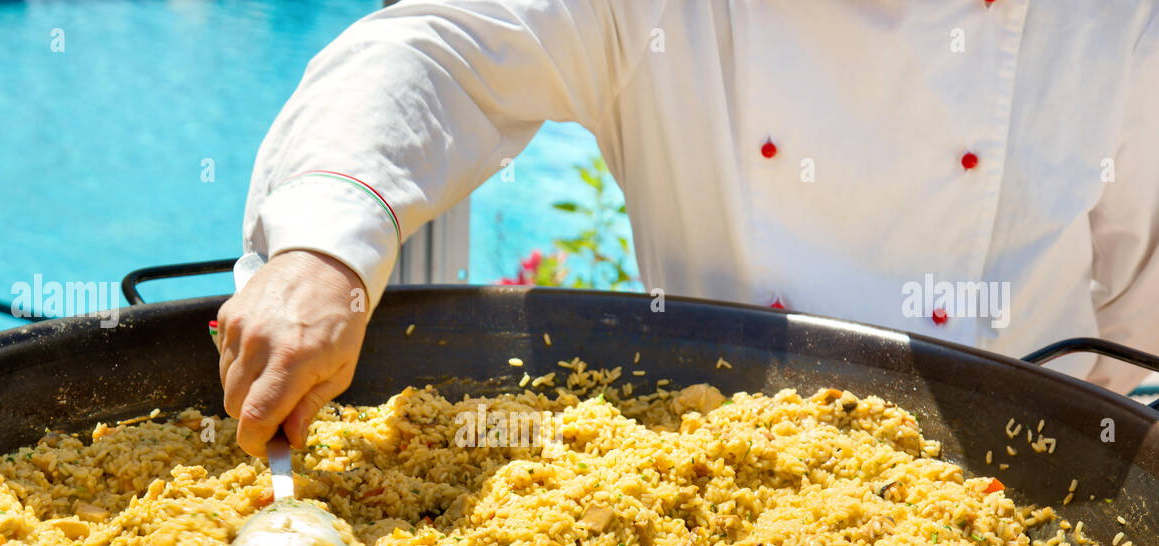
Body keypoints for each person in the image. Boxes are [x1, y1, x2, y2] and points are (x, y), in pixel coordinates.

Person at [216, 0, 1159, 457]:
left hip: (1029, 513)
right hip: (721, 496)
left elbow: (1138, 302)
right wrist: (324, 244)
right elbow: (438, 47)